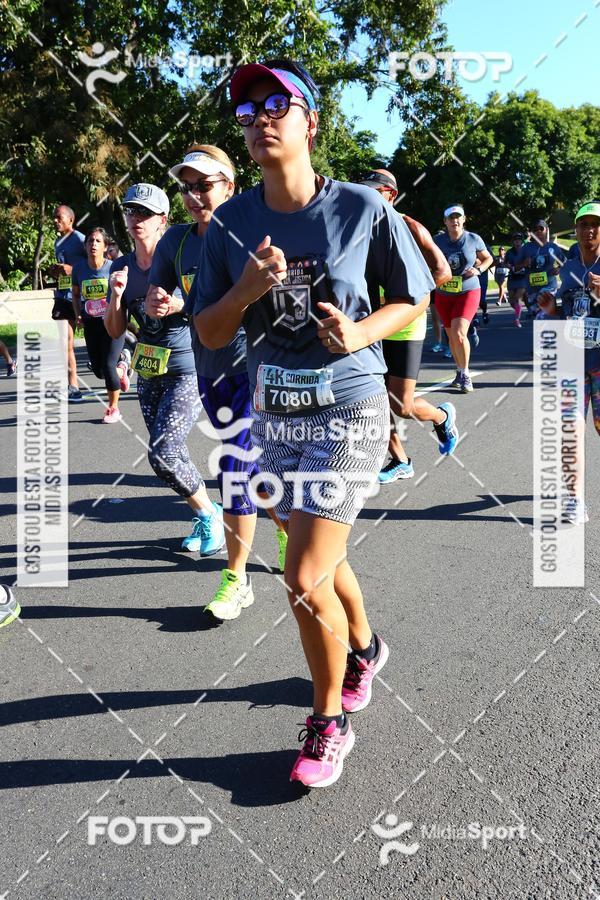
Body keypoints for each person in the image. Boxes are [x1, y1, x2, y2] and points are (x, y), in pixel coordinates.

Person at [194, 59, 435, 787]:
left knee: (301, 576)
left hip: (351, 405)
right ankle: (363, 648)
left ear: (311, 121)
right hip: (277, 412)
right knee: (317, 553)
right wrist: (242, 291)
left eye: (276, 103)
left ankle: (329, 721)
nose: (259, 118)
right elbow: (208, 332)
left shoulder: (362, 207)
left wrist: (361, 335)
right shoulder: (228, 224)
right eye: (246, 111)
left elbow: (414, 297)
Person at [148, 147, 287, 620]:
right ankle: (284, 525)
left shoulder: (249, 234)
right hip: (206, 366)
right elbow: (164, 292)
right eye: (186, 187)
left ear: (229, 185)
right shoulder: (176, 242)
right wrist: (158, 302)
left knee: (233, 466)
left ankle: (237, 579)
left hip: (252, 367)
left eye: (204, 185)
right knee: (249, 463)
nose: (193, 196)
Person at [104, 183, 226, 558]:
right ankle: (204, 511)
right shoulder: (122, 267)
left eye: (144, 213)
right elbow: (114, 329)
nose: (135, 219)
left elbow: (213, 302)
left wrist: (178, 303)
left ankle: (210, 514)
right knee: (168, 456)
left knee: (163, 451)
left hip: (188, 366)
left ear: (163, 220)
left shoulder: (181, 254)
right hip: (149, 370)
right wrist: (116, 296)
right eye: (130, 211)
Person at [359, 169, 458, 483]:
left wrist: (404, 297)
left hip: (404, 323)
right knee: (372, 397)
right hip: (371, 323)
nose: (367, 197)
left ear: (390, 194)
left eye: (374, 191)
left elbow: (442, 272)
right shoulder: (357, 228)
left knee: (400, 403)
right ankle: (399, 459)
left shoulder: (409, 226)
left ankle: (442, 417)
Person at [537, 200, 600, 524]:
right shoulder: (571, 267)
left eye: (595, 224)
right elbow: (571, 313)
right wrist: (553, 311)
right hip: (572, 360)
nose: (590, 229)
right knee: (570, 429)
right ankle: (575, 500)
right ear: (575, 229)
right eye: (583, 224)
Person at [433, 205, 493, 392]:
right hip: (444, 293)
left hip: (468, 290)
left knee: (459, 333)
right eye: (451, 218)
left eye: (458, 217)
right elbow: (428, 260)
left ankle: (465, 374)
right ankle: (459, 370)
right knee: (451, 336)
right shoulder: (438, 240)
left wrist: (478, 269)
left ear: (464, 219)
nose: (454, 221)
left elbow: (488, 258)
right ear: (445, 222)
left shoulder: (473, 239)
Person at [71, 227, 124, 423]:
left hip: (112, 321)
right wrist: (78, 315)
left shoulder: (114, 267)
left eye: (97, 241)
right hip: (91, 322)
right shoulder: (79, 269)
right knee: (99, 370)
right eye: (90, 241)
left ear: (105, 246)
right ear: (85, 246)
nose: (93, 244)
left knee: (108, 365)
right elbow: (75, 295)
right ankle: (122, 367)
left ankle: (113, 408)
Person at [50, 205, 87, 402]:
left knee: (100, 342)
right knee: (65, 342)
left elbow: (94, 263)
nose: (55, 221)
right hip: (64, 296)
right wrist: (56, 271)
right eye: (54, 218)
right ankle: (73, 386)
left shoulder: (81, 240)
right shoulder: (58, 242)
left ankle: (122, 355)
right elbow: (64, 270)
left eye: (59, 217)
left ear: (70, 220)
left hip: (84, 297)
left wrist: (72, 269)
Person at [522, 219, 566, 317]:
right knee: (537, 314)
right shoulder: (526, 248)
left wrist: (559, 269)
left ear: (546, 230)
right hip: (532, 289)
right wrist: (523, 263)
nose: (538, 231)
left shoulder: (553, 247)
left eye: (541, 228)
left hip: (549, 285)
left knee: (543, 314)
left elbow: (565, 263)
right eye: (536, 229)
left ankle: (548, 329)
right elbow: (514, 266)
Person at [504, 233, 528, 328]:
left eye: (519, 239)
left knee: (517, 298)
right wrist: (508, 266)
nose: (517, 241)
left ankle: (517, 319)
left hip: (523, 278)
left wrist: (524, 266)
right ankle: (520, 308)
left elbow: (529, 261)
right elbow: (505, 263)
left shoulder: (525, 251)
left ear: (522, 241)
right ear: (513, 241)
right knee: (512, 301)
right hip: (512, 278)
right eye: (515, 239)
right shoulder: (509, 252)